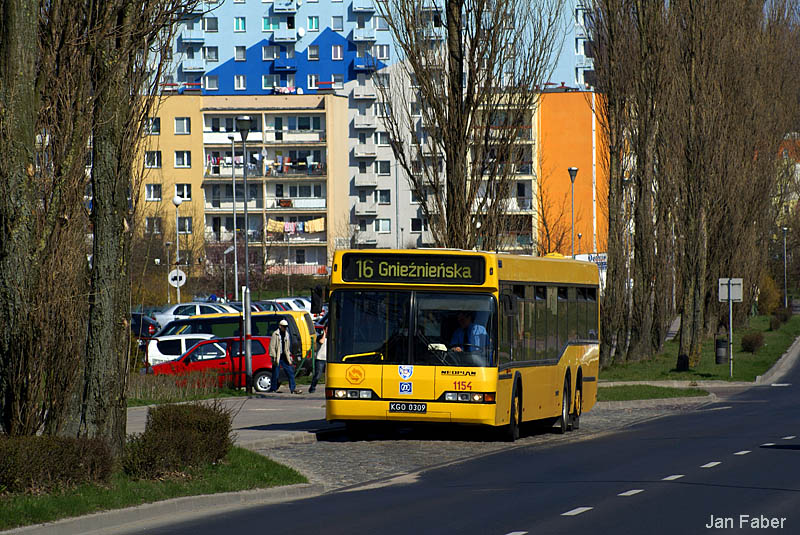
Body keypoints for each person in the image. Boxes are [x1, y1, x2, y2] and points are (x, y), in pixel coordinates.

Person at [268, 319, 302, 394]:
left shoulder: (287, 334)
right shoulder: (275, 334)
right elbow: (272, 346)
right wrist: (273, 356)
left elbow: (287, 347)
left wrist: (289, 357)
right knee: (275, 373)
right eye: (283, 326)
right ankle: (273, 388)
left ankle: (292, 388)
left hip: (285, 357)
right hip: (277, 357)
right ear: (280, 326)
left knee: (290, 373)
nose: (285, 328)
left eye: (286, 327)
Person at [308, 327, 327, 393]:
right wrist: (324, 334)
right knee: (318, 375)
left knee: (328, 376)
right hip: (320, 359)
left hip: (327, 359)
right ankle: (312, 387)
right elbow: (321, 342)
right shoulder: (320, 337)